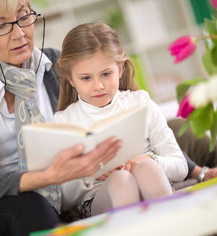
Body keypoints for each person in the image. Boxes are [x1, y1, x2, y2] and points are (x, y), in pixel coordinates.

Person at [0, 0, 122, 236]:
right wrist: (50, 176)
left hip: (52, 188)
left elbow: (97, 119)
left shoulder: (58, 66)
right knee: (33, 207)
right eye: (0, 26)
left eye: (23, 16)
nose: (19, 34)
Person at [54, 22, 188, 218]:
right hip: (100, 198)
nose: (98, 86)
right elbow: (62, 198)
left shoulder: (141, 102)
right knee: (123, 181)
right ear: (71, 79)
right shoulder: (64, 122)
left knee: (147, 167)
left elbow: (180, 167)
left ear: (120, 69)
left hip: (150, 183)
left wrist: (151, 159)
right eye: (86, 78)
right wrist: (88, 175)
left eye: (106, 74)